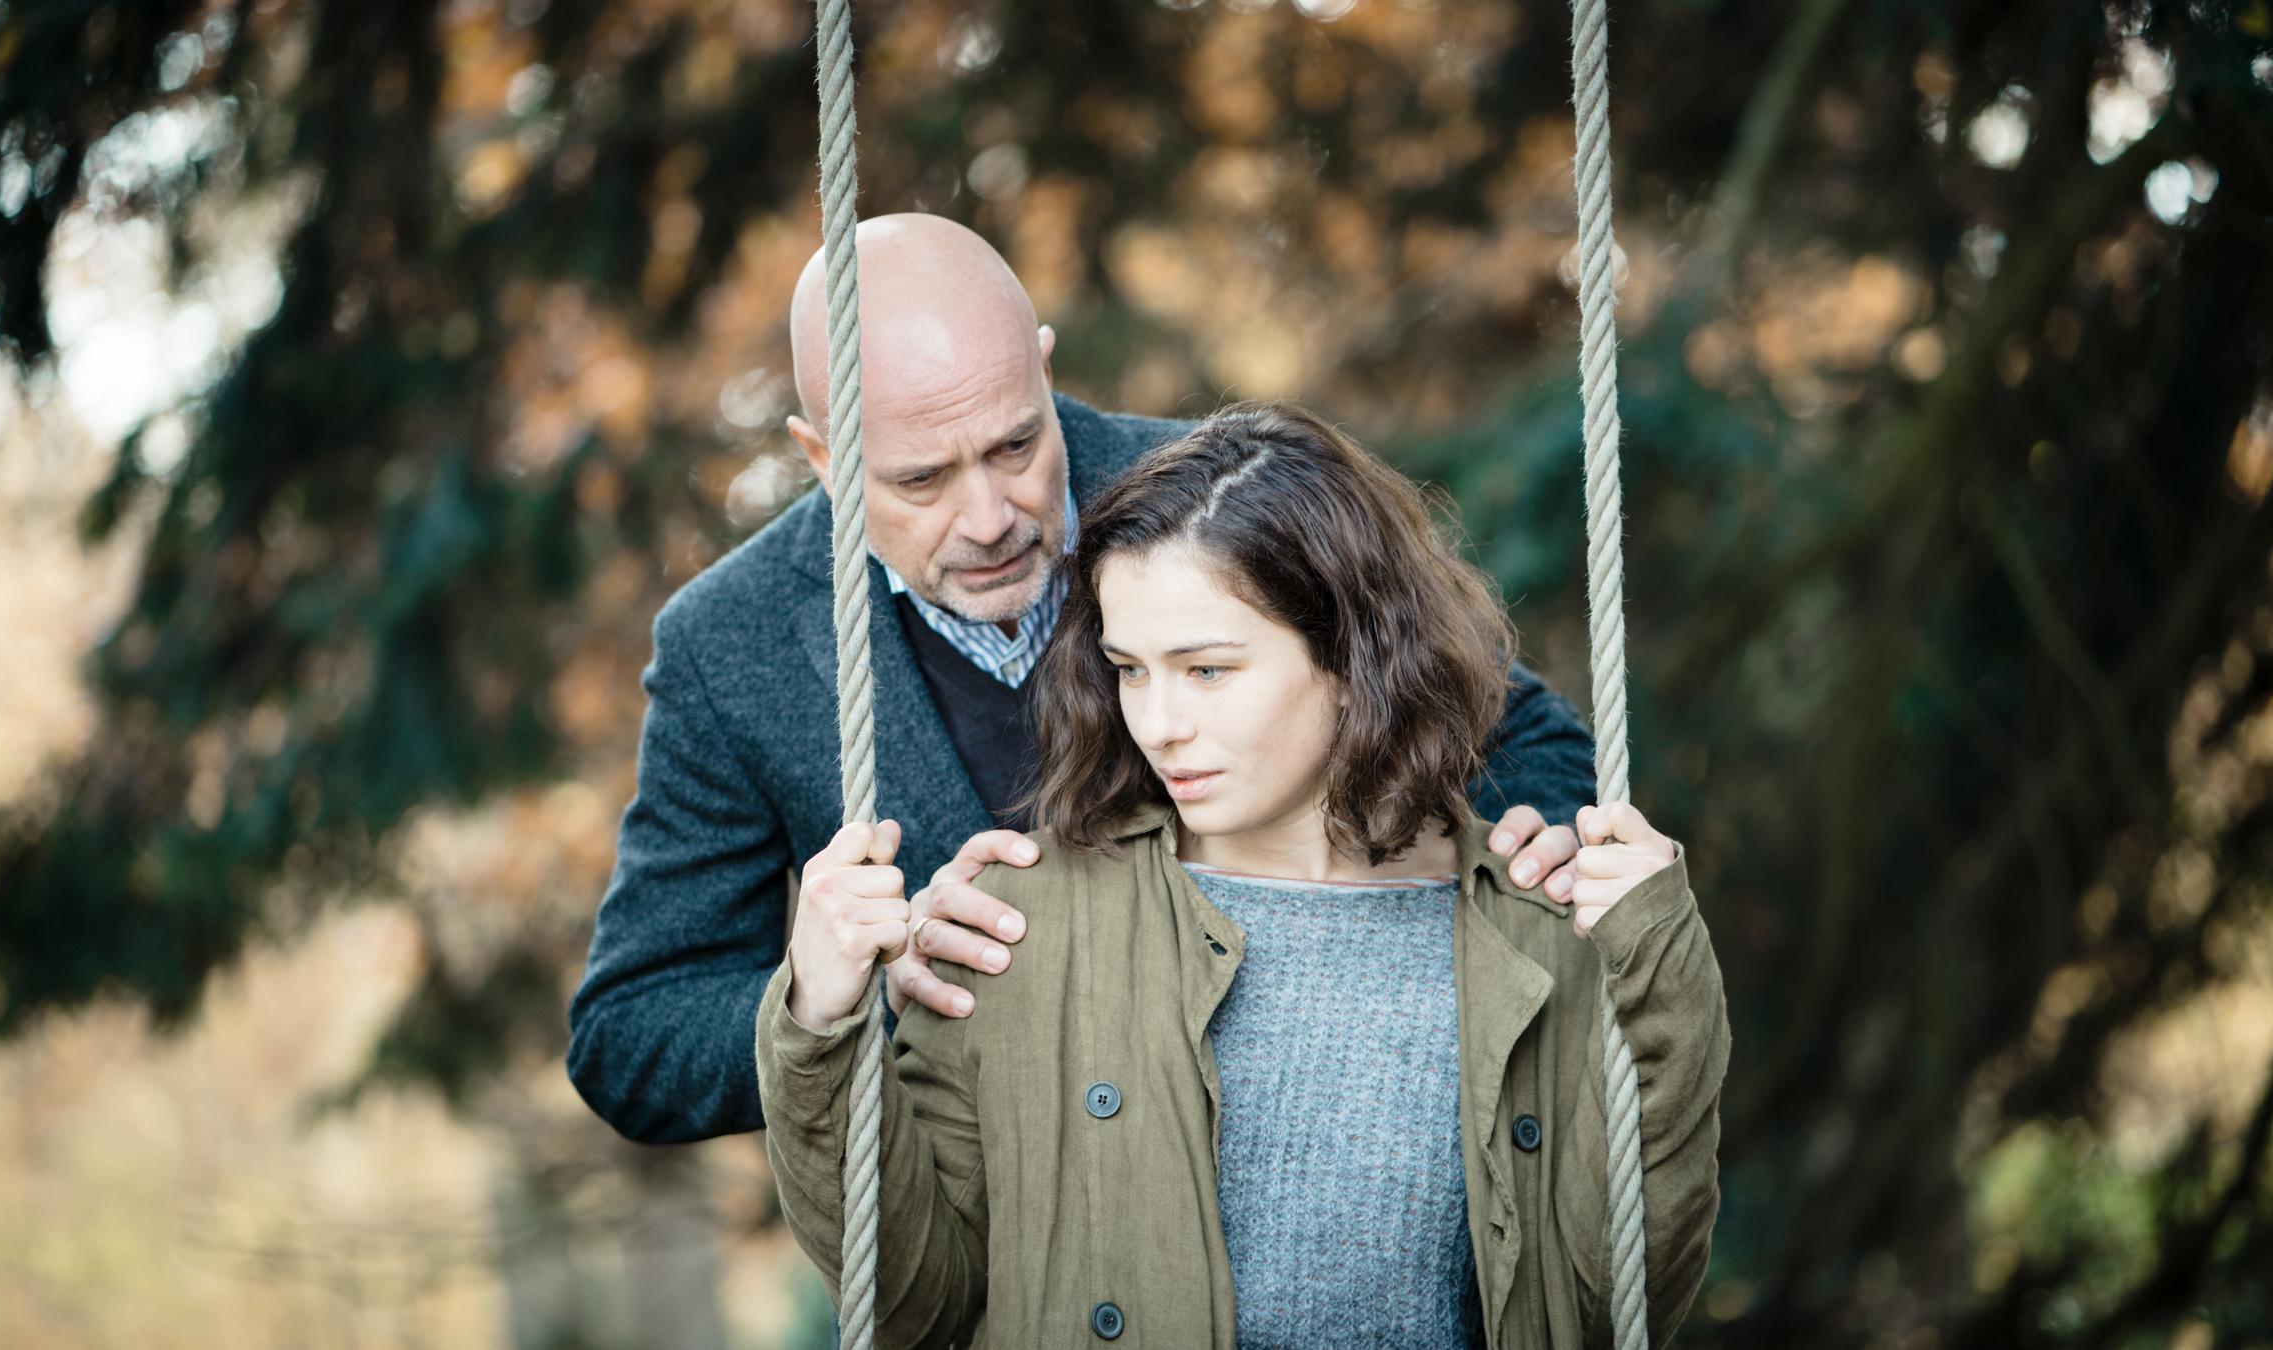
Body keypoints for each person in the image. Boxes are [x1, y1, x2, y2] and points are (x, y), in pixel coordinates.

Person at [567, 214, 1602, 1144]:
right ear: (823, 456)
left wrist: (1537, 842)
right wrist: (844, 992)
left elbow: (1531, 743)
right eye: (920, 479)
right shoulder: (726, 645)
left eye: (1017, 442)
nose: (987, 517)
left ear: (1043, 367)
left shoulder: (1225, 499)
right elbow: (628, 1040)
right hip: (986, 1271)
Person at [759, 404, 1729, 1348]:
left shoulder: (1537, 931)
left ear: (1355, 650)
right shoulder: (1016, 925)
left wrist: (1663, 965)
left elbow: (1614, 1306)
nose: (1160, 722)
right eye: (1130, 669)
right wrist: (818, 1021)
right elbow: (913, 1312)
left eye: (1208, 670)